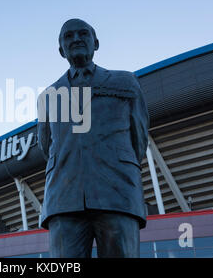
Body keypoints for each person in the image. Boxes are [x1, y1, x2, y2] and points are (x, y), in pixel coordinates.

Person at [37, 19, 149, 258]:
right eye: (68, 36)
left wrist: (111, 165)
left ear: (95, 43)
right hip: (64, 199)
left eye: (83, 33)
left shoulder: (125, 82)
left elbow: (138, 137)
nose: (76, 39)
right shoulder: (49, 96)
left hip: (117, 193)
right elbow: (47, 146)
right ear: (61, 50)